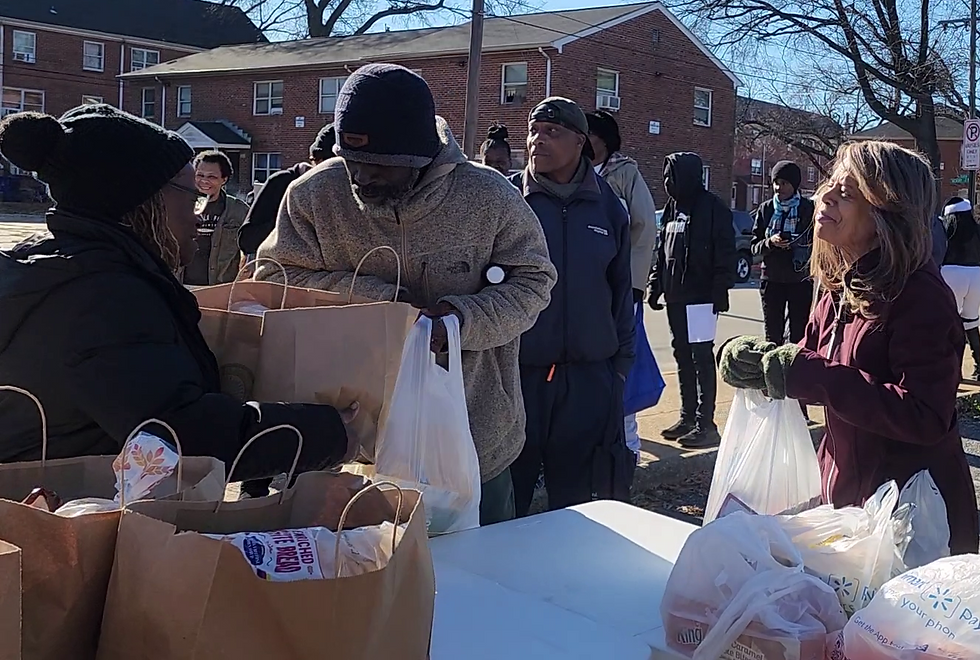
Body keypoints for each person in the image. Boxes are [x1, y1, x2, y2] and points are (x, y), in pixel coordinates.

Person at [256, 64, 557, 525]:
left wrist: (460, 320)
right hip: (349, 443)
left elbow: (534, 281)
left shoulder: (488, 195)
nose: (361, 178)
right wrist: (383, 306)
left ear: (421, 158)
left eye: (380, 167)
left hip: (474, 437)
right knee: (357, 577)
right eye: (352, 161)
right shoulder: (313, 196)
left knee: (483, 577)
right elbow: (275, 279)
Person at [0, 104, 359, 481]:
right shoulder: (102, 296)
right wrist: (325, 433)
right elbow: (176, 433)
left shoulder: (61, 267)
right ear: (143, 203)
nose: (198, 216)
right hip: (65, 519)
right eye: (191, 200)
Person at [720, 140, 979, 555]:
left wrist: (808, 374)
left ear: (886, 214)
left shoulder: (920, 295)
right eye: (829, 186)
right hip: (849, 506)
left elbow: (927, 415)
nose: (826, 196)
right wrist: (761, 364)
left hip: (912, 520)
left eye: (848, 192)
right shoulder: (841, 285)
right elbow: (809, 361)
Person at [509, 97, 635, 515]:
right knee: (509, 499)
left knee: (575, 505)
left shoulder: (609, 207)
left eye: (552, 132)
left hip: (586, 381)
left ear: (580, 142)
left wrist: (618, 368)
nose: (536, 140)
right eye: (533, 130)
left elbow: (621, 291)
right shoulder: (508, 200)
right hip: (518, 377)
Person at [648, 152, 735, 448]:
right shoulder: (672, 207)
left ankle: (705, 424)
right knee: (681, 355)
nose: (667, 183)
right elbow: (662, 250)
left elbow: (726, 253)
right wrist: (655, 285)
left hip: (701, 297)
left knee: (700, 356)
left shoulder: (714, 208)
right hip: (675, 296)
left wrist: (720, 290)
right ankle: (686, 417)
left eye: (671, 176)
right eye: (665, 177)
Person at [587, 109, 658, 466]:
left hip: (619, 286)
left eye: (590, 134)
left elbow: (645, 227)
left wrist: (633, 283)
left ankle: (626, 447)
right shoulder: (572, 172)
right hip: (582, 288)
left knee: (621, 364)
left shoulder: (624, 173)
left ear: (604, 139)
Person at [238, 124, 336, 257]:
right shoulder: (282, 183)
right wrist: (292, 221)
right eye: (332, 168)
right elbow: (247, 240)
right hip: (281, 271)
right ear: (315, 160)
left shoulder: (352, 190)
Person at [751, 161, 815, 347]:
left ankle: (796, 374)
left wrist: (796, 244)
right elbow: (754, 247)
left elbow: (818, 243)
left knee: (799, 335)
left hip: (799, 280)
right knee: (772, 336)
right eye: (776, 182)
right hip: (772, 279)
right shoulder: (766, 209)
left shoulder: (808, 208)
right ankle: (773, 373)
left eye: (784, 183)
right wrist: (771, 242)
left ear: (794, 185)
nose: (779, 188)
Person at [184, 150, 248, 286]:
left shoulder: (238, 210)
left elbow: (254, 244)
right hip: (180, 284)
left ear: (224, 180)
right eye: (200, 175)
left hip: (220, 287)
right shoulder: (178, 205)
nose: (204, 181)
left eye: (212, 177)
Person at [940, 196, 980, 379]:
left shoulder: (946, 231)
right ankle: (979, 365)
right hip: (977, 274)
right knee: (972, 322)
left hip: (951, 273)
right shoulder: (977, 231)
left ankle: (954, 370)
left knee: (950, 323)